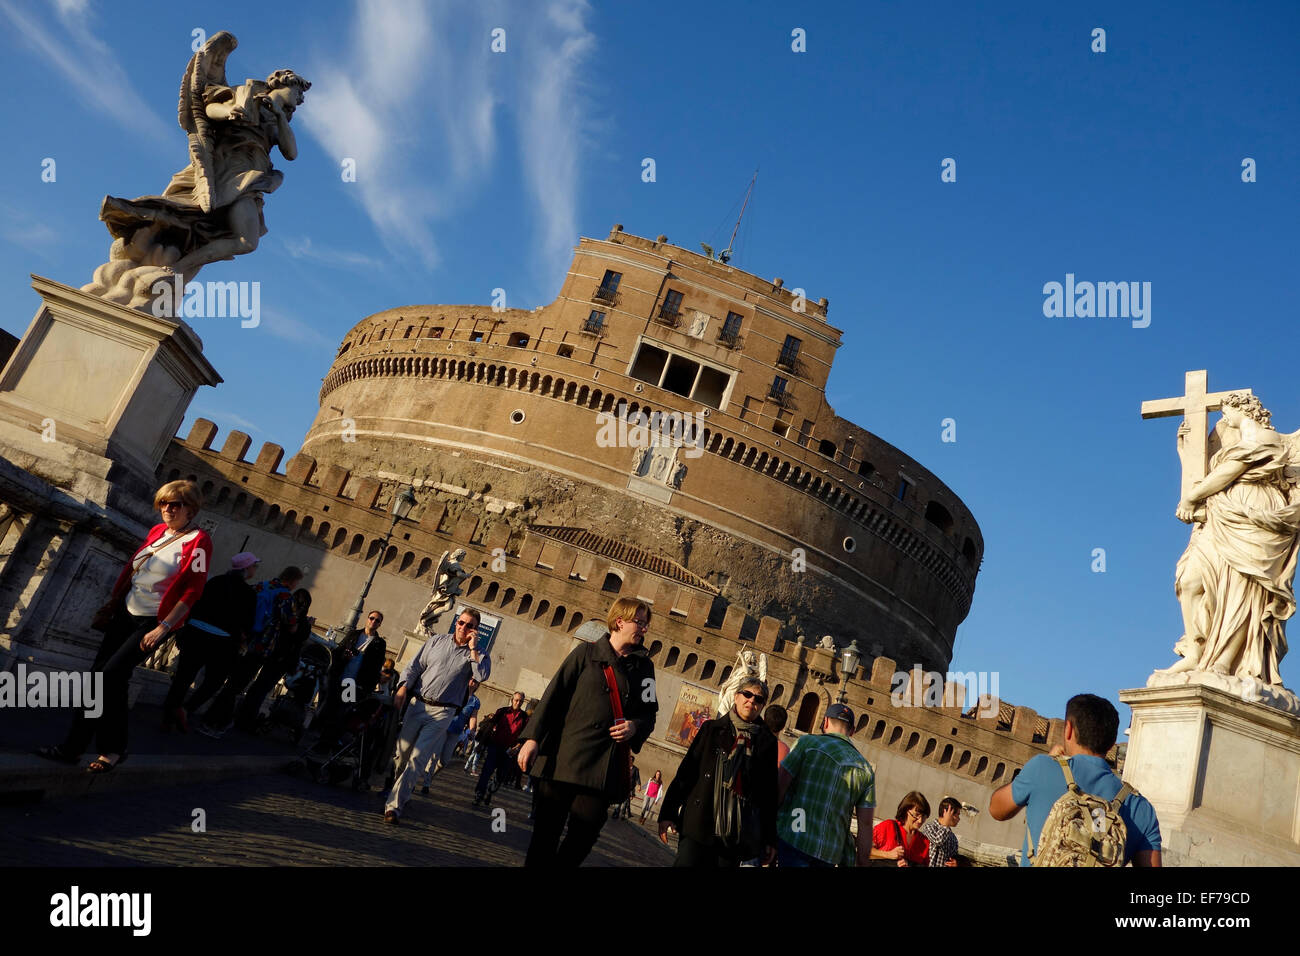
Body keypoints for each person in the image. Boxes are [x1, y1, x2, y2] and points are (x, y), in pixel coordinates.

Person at [36, 481, 210, 772]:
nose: (167, 509)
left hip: (152, 622)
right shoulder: (158, 532)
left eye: (175, 504)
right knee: (101, 681)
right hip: (124, 614)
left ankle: (110, 748)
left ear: (190, 508)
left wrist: (164, 627)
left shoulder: (200, 541)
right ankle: (75, 749)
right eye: (163, 503)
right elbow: (135, 570)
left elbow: (193, 590)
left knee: (109, 678)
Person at [1163, 393, 1300, 683]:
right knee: (1190, 579)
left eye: (1226, 413)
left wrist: (1192, 498)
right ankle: (1194, 651)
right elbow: (1208, 472)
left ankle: (1225, 661)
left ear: (1242, 409)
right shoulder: (1236, 442)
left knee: (1244, 589)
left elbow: (1229, 471)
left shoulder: (1267, 439)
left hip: (1254, 513)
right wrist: (1186, 448)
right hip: (1222, 512)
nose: (1224, 420)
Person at [517, 597, 658, 867]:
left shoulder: (645, 669)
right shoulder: (585, 654)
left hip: (601, 772)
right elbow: (553, 696)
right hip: (562, 761)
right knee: (545, 836)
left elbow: (649, 713)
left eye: (646, 624)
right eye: (639, 622)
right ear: (620, 621)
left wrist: (635, 726)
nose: (643, 629)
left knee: (584, 836)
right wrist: (532, 738)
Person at [989, 693, 1162, 867]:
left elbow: (997, 809)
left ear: (1068, 729)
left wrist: (1049, 763)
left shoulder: (1041, 768)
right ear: (1112, 744)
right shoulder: (1141, 809)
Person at [384, 608, 489, 823]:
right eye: (461, 623)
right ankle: (394, 787)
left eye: (470, 626)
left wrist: (473, 650)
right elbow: (414, 666)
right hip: (417, 705)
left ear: (476, 630)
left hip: (443, 712)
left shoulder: (480, 654)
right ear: (456, 623)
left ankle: (394, 806)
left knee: (417, 759)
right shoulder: (436, 641)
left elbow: (481, 675)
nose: (463, 628)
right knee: (401, 755)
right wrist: (403, 687)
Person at [658, 677, 778, 867]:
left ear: (762, 706)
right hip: (698, 823)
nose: (752, 701)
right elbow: (687, 773)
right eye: (747, 694)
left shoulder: (766, 743)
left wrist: (770, 839)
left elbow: (768, 794)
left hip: (734, 832)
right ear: (736, 696)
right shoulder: (711, 729)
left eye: (759, 699)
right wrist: (668, 813)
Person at [197, 565, 302, 738]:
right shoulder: (285, 596)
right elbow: (291, 625)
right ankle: (215, 722)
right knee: (237, 685)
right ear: (292, 580)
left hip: (242, 639)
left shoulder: (262, 586)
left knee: (231, 682)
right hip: (260, 646)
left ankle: (211, 718)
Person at [162, 551, 258, 732]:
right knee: (214, 681)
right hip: (222, 642)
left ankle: (168, 716)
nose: (255, 569)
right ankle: (186, 709)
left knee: (183, 677)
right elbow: (247, 623)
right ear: (246, 569)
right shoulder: (248, 593)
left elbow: (196, 603)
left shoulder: (214, 581)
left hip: (195, 633)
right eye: (254, 566)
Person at [775, 703, 875, 867]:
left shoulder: (806, 744)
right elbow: (865, 824)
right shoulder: (865, 769)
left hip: (795, 838)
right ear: (852, 731)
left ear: (826, 722)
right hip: (829, 853)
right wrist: (863, 861)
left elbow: (781, 786)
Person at [234, 586, 314, 732]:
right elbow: (299, 638)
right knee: (261, 689)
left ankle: (243, 716)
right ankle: (246, 719)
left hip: (270, 653)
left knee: (256, 687)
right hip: (281, 659)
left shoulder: (286, 615)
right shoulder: (301, 622)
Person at [419, 677, 480, 794]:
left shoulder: (475, 702)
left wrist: (472, 730)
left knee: (444, 761)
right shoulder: (456, 692)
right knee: (434, 756)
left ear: (478, 685)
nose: (472, 682)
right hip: (443, 727)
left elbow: (473, 717)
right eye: (471, 679)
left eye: (475, 682)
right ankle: (426, 784)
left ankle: (429, 778)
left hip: (456, 732)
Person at [473, 691, 530, 808]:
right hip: (495, 747)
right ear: (512, 700)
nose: (518, 703)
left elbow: (524, 737)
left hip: (509, 751)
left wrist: (517, 748)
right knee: (486, 772)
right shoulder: (502, 711)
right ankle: (479, 795)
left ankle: (490, 791)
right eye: (516, 700)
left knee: (500, 778)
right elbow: (489, 727)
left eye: (520, 701)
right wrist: (481, 744)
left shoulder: (524, 718)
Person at [871, 791, 931, 867]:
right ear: (906, 811)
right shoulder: (888, 826)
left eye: (924, 816)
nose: (920, 820)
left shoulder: (924, 842)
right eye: (916, 815)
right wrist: (888, 855)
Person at [920, 796, 962, 867]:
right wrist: (946, 823)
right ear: (948, 812)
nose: (959, 818)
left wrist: (956, 863)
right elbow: (938, 840)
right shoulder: (929, 827)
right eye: (957, 814)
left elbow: (954, 858)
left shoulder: (953, 838)